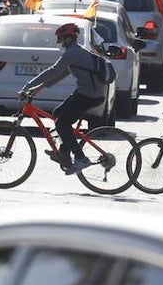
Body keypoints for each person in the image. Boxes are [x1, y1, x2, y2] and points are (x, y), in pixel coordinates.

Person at [20, 22, 107, 175]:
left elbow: (53, 71)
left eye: (61, 38)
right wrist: (38, 89)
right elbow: (60, 75)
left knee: (62, 124)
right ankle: (64, 153)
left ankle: (81, 158)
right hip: (87, 92)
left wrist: (28, 85)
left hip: (90, 95)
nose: (59, 42)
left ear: (68, 38)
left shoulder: (72, 53)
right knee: (57, 112)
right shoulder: (76, 52)